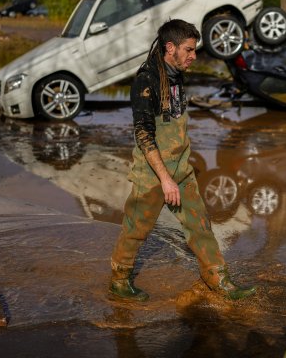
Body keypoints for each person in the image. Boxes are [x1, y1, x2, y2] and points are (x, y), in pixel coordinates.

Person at [110, 19, 257, 301]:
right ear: (170, 47)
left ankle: (218, 279)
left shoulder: (177, 74)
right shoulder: (146, 80)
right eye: (189, 49)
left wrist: (180, 172)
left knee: (199, 224)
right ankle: (119, 281)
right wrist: (165, 180)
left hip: (181, 169)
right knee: (136, 229)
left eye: (195, 50)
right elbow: (144, 135)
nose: (194, 56)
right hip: (153, 173)